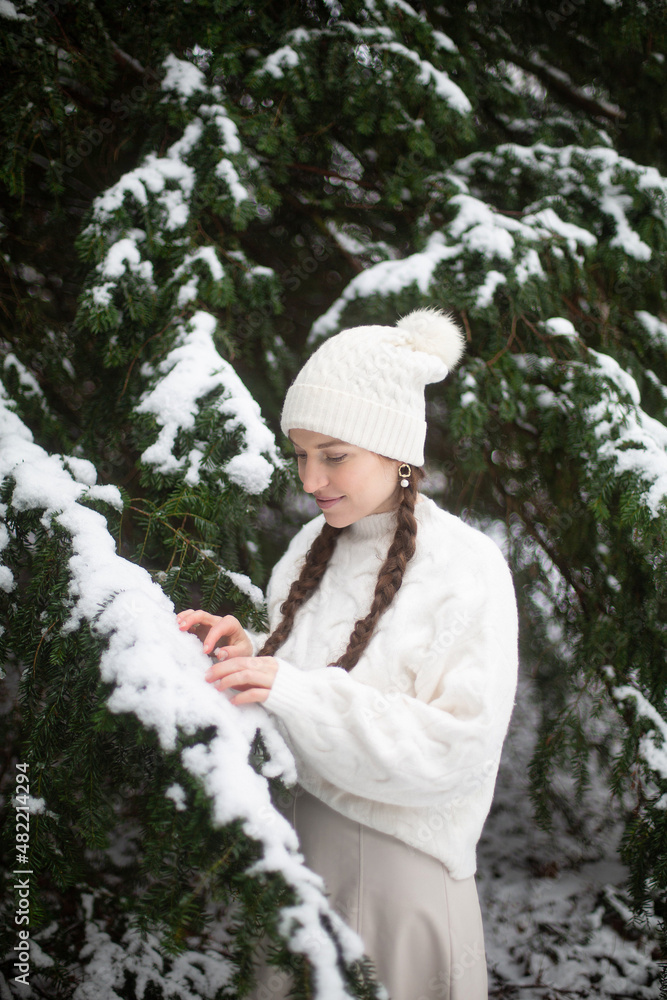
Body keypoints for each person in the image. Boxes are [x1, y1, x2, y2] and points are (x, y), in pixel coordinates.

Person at [177, 307, 519, 1000]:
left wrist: (293, 689)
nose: (310, 480)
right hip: (301, 863)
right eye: (300, 455)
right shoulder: (308, 551)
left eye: (333, 456)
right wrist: (253, 659)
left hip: (402, 876)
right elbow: (299, 702)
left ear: (397, 451)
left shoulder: (464, 565)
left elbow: (453, 752)